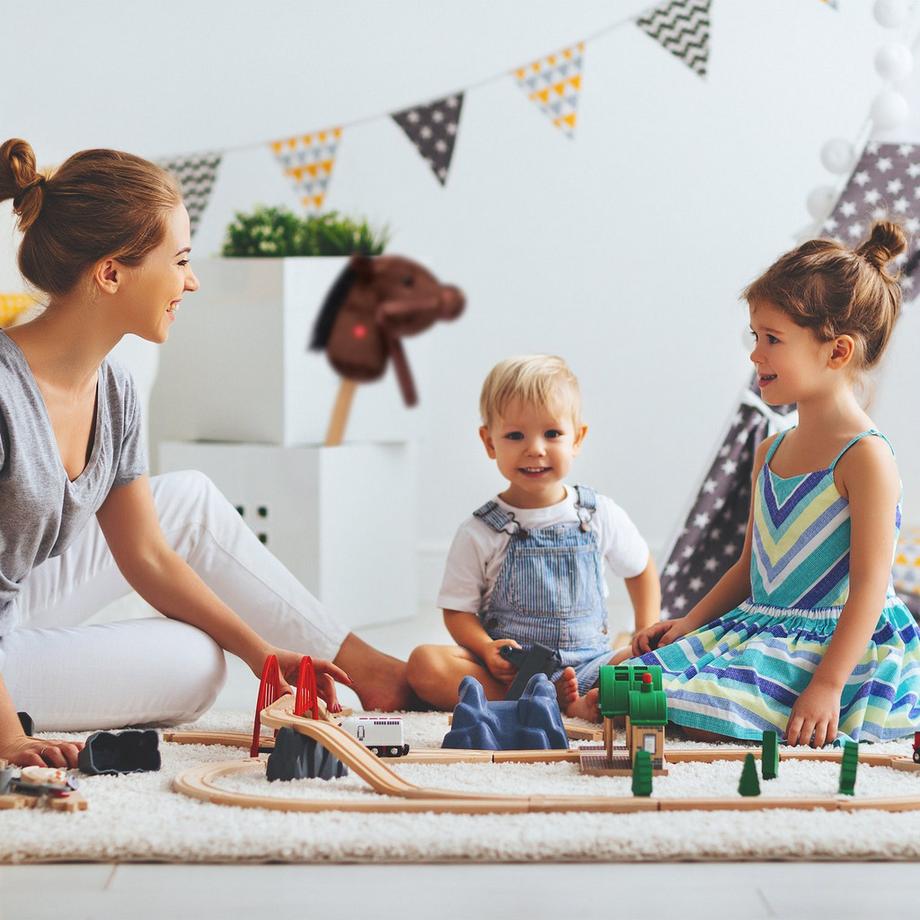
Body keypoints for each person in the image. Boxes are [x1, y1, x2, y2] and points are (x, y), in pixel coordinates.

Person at [0, 138, 410, 769]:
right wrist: (8, 738)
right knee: (192, 667)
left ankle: (362, 665)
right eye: (180, 260)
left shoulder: (116, 391)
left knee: (201, 651)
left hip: (16, 602)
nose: (190, 281)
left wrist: (263, 654)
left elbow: (145, 557)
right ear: (110, 273)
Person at [630, 221, 920, 745]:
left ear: (837, 352)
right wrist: (687, 625)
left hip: (837, 646)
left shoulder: (867, 458)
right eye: (755, 337)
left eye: (772, 339)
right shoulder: (771, 449)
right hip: (763, 629)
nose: (755, 354)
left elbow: (870, 590)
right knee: (625, 683)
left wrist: (828, 684)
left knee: (689, 709)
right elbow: (748, 568)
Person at [407, 355, 660, 719]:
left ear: (578, 438)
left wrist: (645, 632)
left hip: (590, 665)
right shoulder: (481, 530)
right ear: (489, 441)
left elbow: (641, 569)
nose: (535, 448)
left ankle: (575, 699)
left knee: (650, 670)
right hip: (515, 674)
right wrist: (486, 648)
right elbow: (457, 612)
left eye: (552, 434)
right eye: (515, 435)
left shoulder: (597, 513)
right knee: (424, 664)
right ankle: (548, 702)